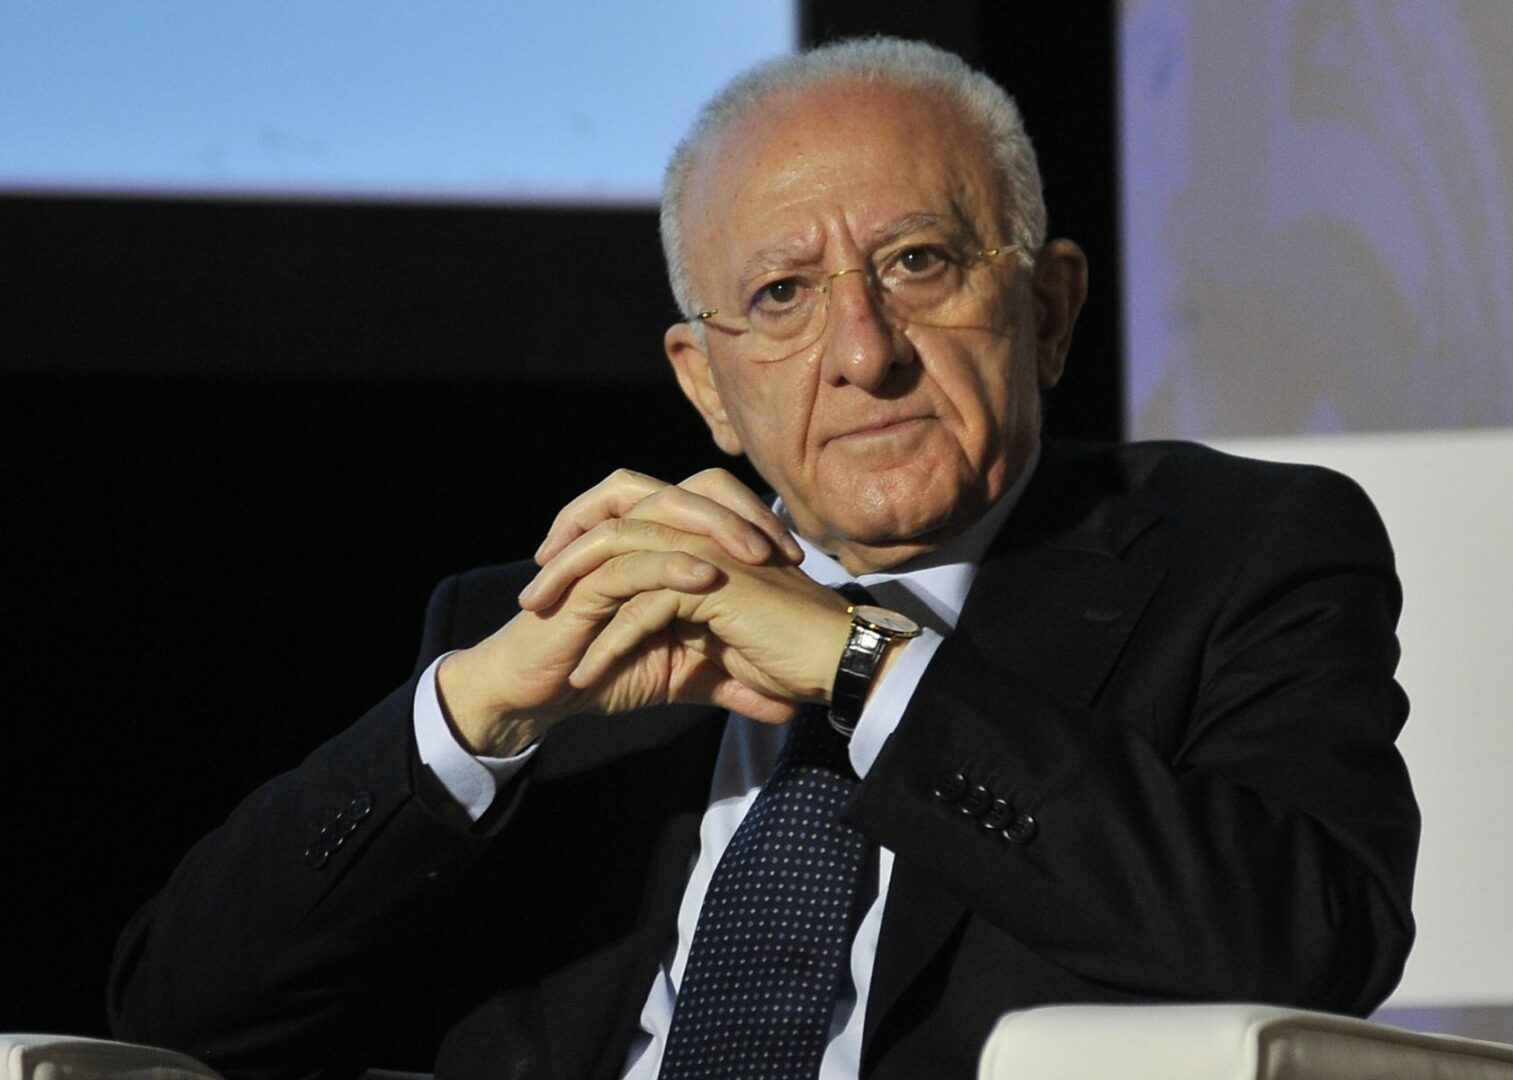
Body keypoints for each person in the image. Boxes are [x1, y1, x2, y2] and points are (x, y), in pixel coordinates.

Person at [109, 37, 1418, 1080]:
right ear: (707, 386)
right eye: (783, 296)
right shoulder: (558, 628)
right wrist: (473, 719)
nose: (863, 351)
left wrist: (865, 665)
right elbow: (177, 1018)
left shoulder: (1238, 553)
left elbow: (1309, 945)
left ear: (1050, 307)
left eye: (918, 263)